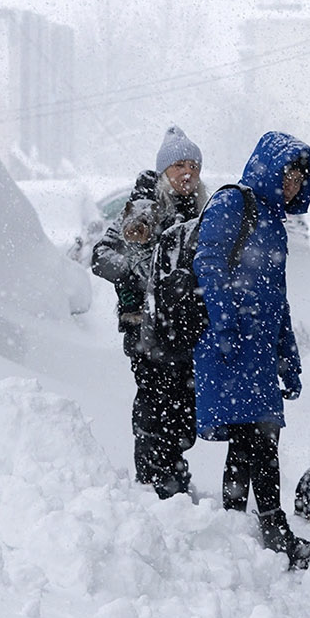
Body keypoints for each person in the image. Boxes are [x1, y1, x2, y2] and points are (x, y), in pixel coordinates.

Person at [193, 131, 310, 569]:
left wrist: (287, 356)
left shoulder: (275, 224)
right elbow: (209, 263)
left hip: (255, 351)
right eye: (288, 172)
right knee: (256, 440)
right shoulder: (233, 203)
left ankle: (239, 529)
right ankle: (272, 533)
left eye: (300, 176)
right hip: (229, 347)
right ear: (269, 168)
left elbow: (277, 298)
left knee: (252, 441)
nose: (293, 182)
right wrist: (223, 324)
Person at [91, 126, 205, 499]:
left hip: (185, 332)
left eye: (193, 166)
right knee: (156, 405)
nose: (187, 173)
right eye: (178, 166)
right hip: (145, 331)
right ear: (163, 173)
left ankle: (172, 473)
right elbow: (101, 257)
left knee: (184, 408)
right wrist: (139, 274)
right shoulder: (142, 207)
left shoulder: (202, 213)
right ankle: (155, 480)